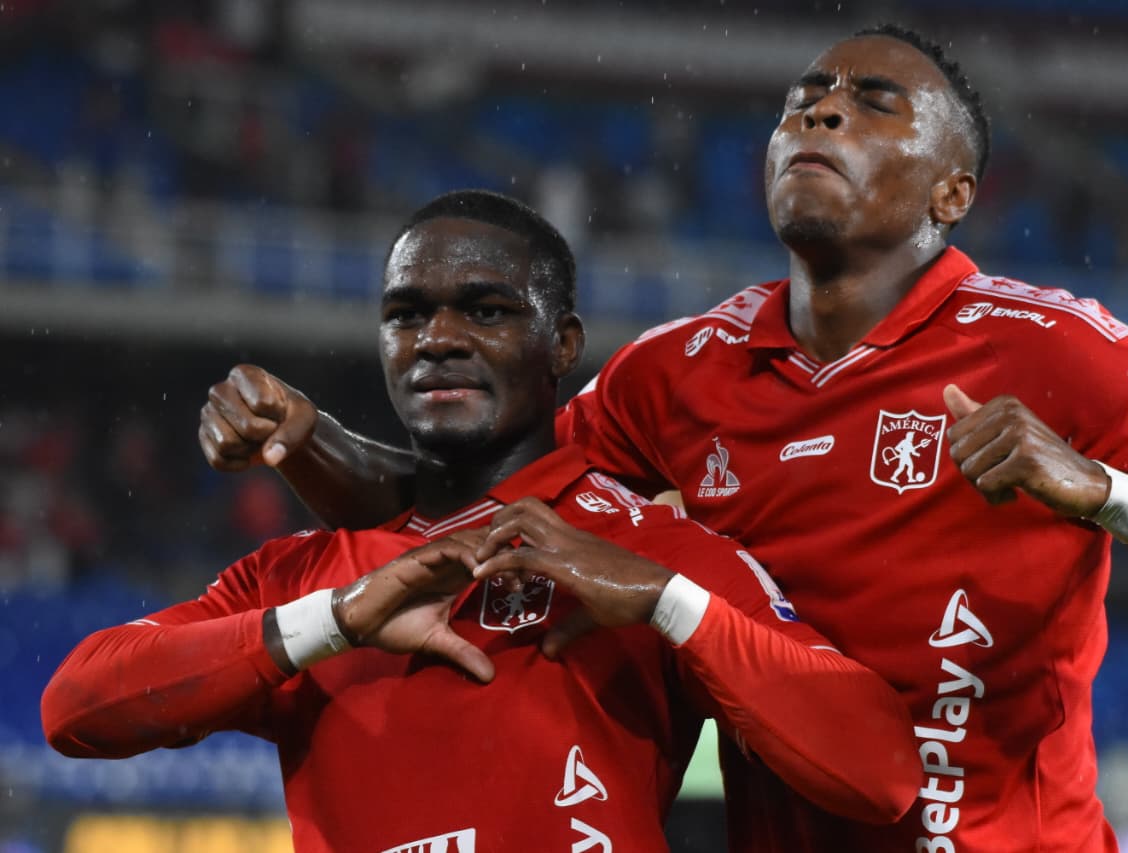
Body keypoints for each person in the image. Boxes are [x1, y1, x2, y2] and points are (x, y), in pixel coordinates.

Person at [194, 24, 1128, 853]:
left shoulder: (1061, 350)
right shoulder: (680, 370)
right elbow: (454, 514)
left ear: (952, 190)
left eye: (870, 101)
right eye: (802, 100)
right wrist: (304, 439)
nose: (817, 114)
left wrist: (1105, 493)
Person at [43, 191, 924, 853]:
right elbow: (77, 706)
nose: (437, 337)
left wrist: (667, 601)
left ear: (564, 344)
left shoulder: (647, 552)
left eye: (487, 309)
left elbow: (880, 772)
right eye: (407, 314)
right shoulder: (310, 575)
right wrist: (339, 621)